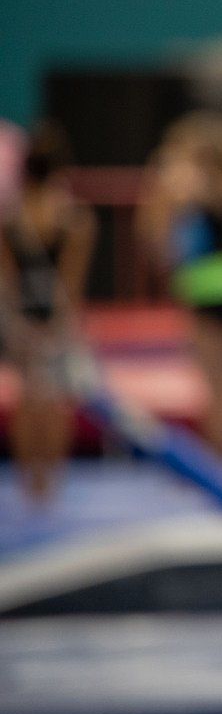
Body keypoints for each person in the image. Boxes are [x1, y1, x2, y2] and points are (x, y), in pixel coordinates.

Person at [139, 111, 222, 465]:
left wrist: (161, 179)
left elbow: (156, 234)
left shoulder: (195, 185)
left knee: (217, 384)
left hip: (209, 285)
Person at [0, 123, 95, 504]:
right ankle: (51, 482)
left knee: (28, 395)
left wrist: (16, 318)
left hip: (21, 309)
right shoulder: (72, 216)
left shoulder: (12, 215)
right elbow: (72, 279)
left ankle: (31, 483)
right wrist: (63, 321)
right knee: (55, 398)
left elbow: (6, 276)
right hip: (54, 311)